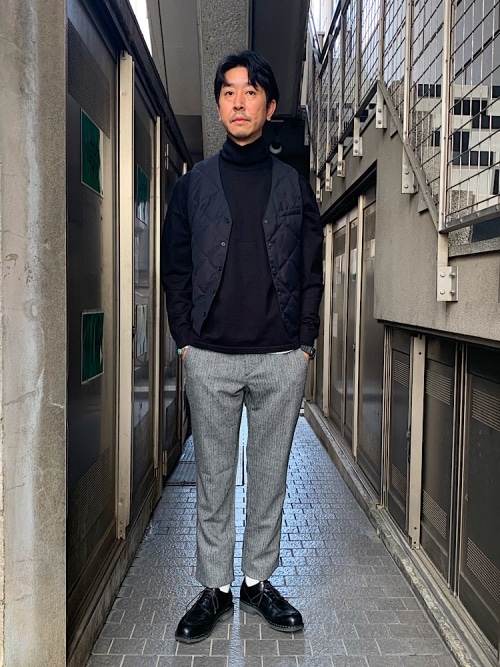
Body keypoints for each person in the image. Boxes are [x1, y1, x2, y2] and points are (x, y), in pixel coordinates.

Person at [161, 50, 324, 644]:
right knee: (213, 476)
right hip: (209, 355)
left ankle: (257, 582)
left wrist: (305, 342)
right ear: (218, 104)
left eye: (250, 92)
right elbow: (176, 267)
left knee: (269, 476)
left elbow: (312, 267)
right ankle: (215, 587)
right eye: (229, 91)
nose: (238, 101)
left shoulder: (293, 185)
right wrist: (185, 340)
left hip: (281, 356)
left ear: (270, 106)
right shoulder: (194, 185)